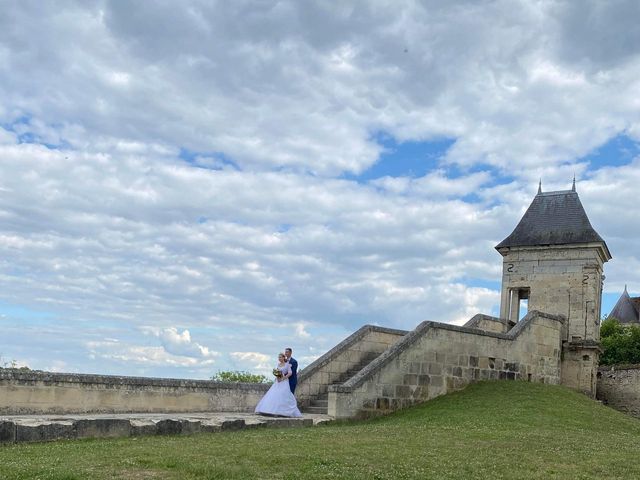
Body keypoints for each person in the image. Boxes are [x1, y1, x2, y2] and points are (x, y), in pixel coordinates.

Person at [254, 353, 302, 417]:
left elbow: (290, 373)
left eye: (280, 357)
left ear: (283, 358)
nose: (279, 359)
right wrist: (277, 377)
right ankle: (270, 410)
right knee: (273, 394)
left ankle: (283, 411)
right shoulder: (278, 365)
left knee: (283, 395)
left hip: (284, 382)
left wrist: (283, 378)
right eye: (278, 357)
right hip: (278, 382)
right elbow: (277, 373)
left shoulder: (287, 365)